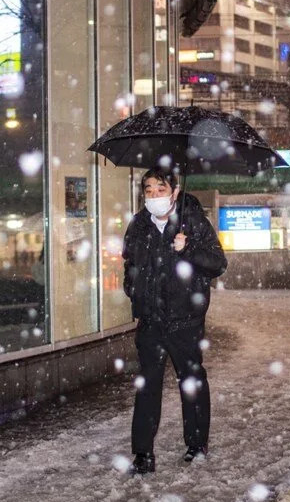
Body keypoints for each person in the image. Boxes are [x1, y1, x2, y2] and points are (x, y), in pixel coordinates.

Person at [122, 168, 227, 475]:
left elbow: (218, 263)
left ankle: (196, 445)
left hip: (185, 321)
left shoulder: (192, 221)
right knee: (147, 387)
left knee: (192, 382)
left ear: (175, 192)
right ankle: (143, 453)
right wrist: (134, 292)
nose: (154, 196)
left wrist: (189, 248)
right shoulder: (139, 225)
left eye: (160, 189)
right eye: (149, 190)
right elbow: (130, 263)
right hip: (151, 322)